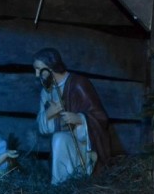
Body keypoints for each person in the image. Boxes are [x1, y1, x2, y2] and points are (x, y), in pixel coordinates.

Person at [33, 47, 110, 185]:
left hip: (85, 144)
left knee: (59, 139)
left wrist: (80, 118)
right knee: (59, 139)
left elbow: (100, 117)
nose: (36, 75)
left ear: (50, 68)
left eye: (39, 69)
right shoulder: (46, 91)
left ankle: (79, 180)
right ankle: (60, 186)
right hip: (64, 142)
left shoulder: (79, 84)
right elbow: (42, 128)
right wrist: (50, 112)